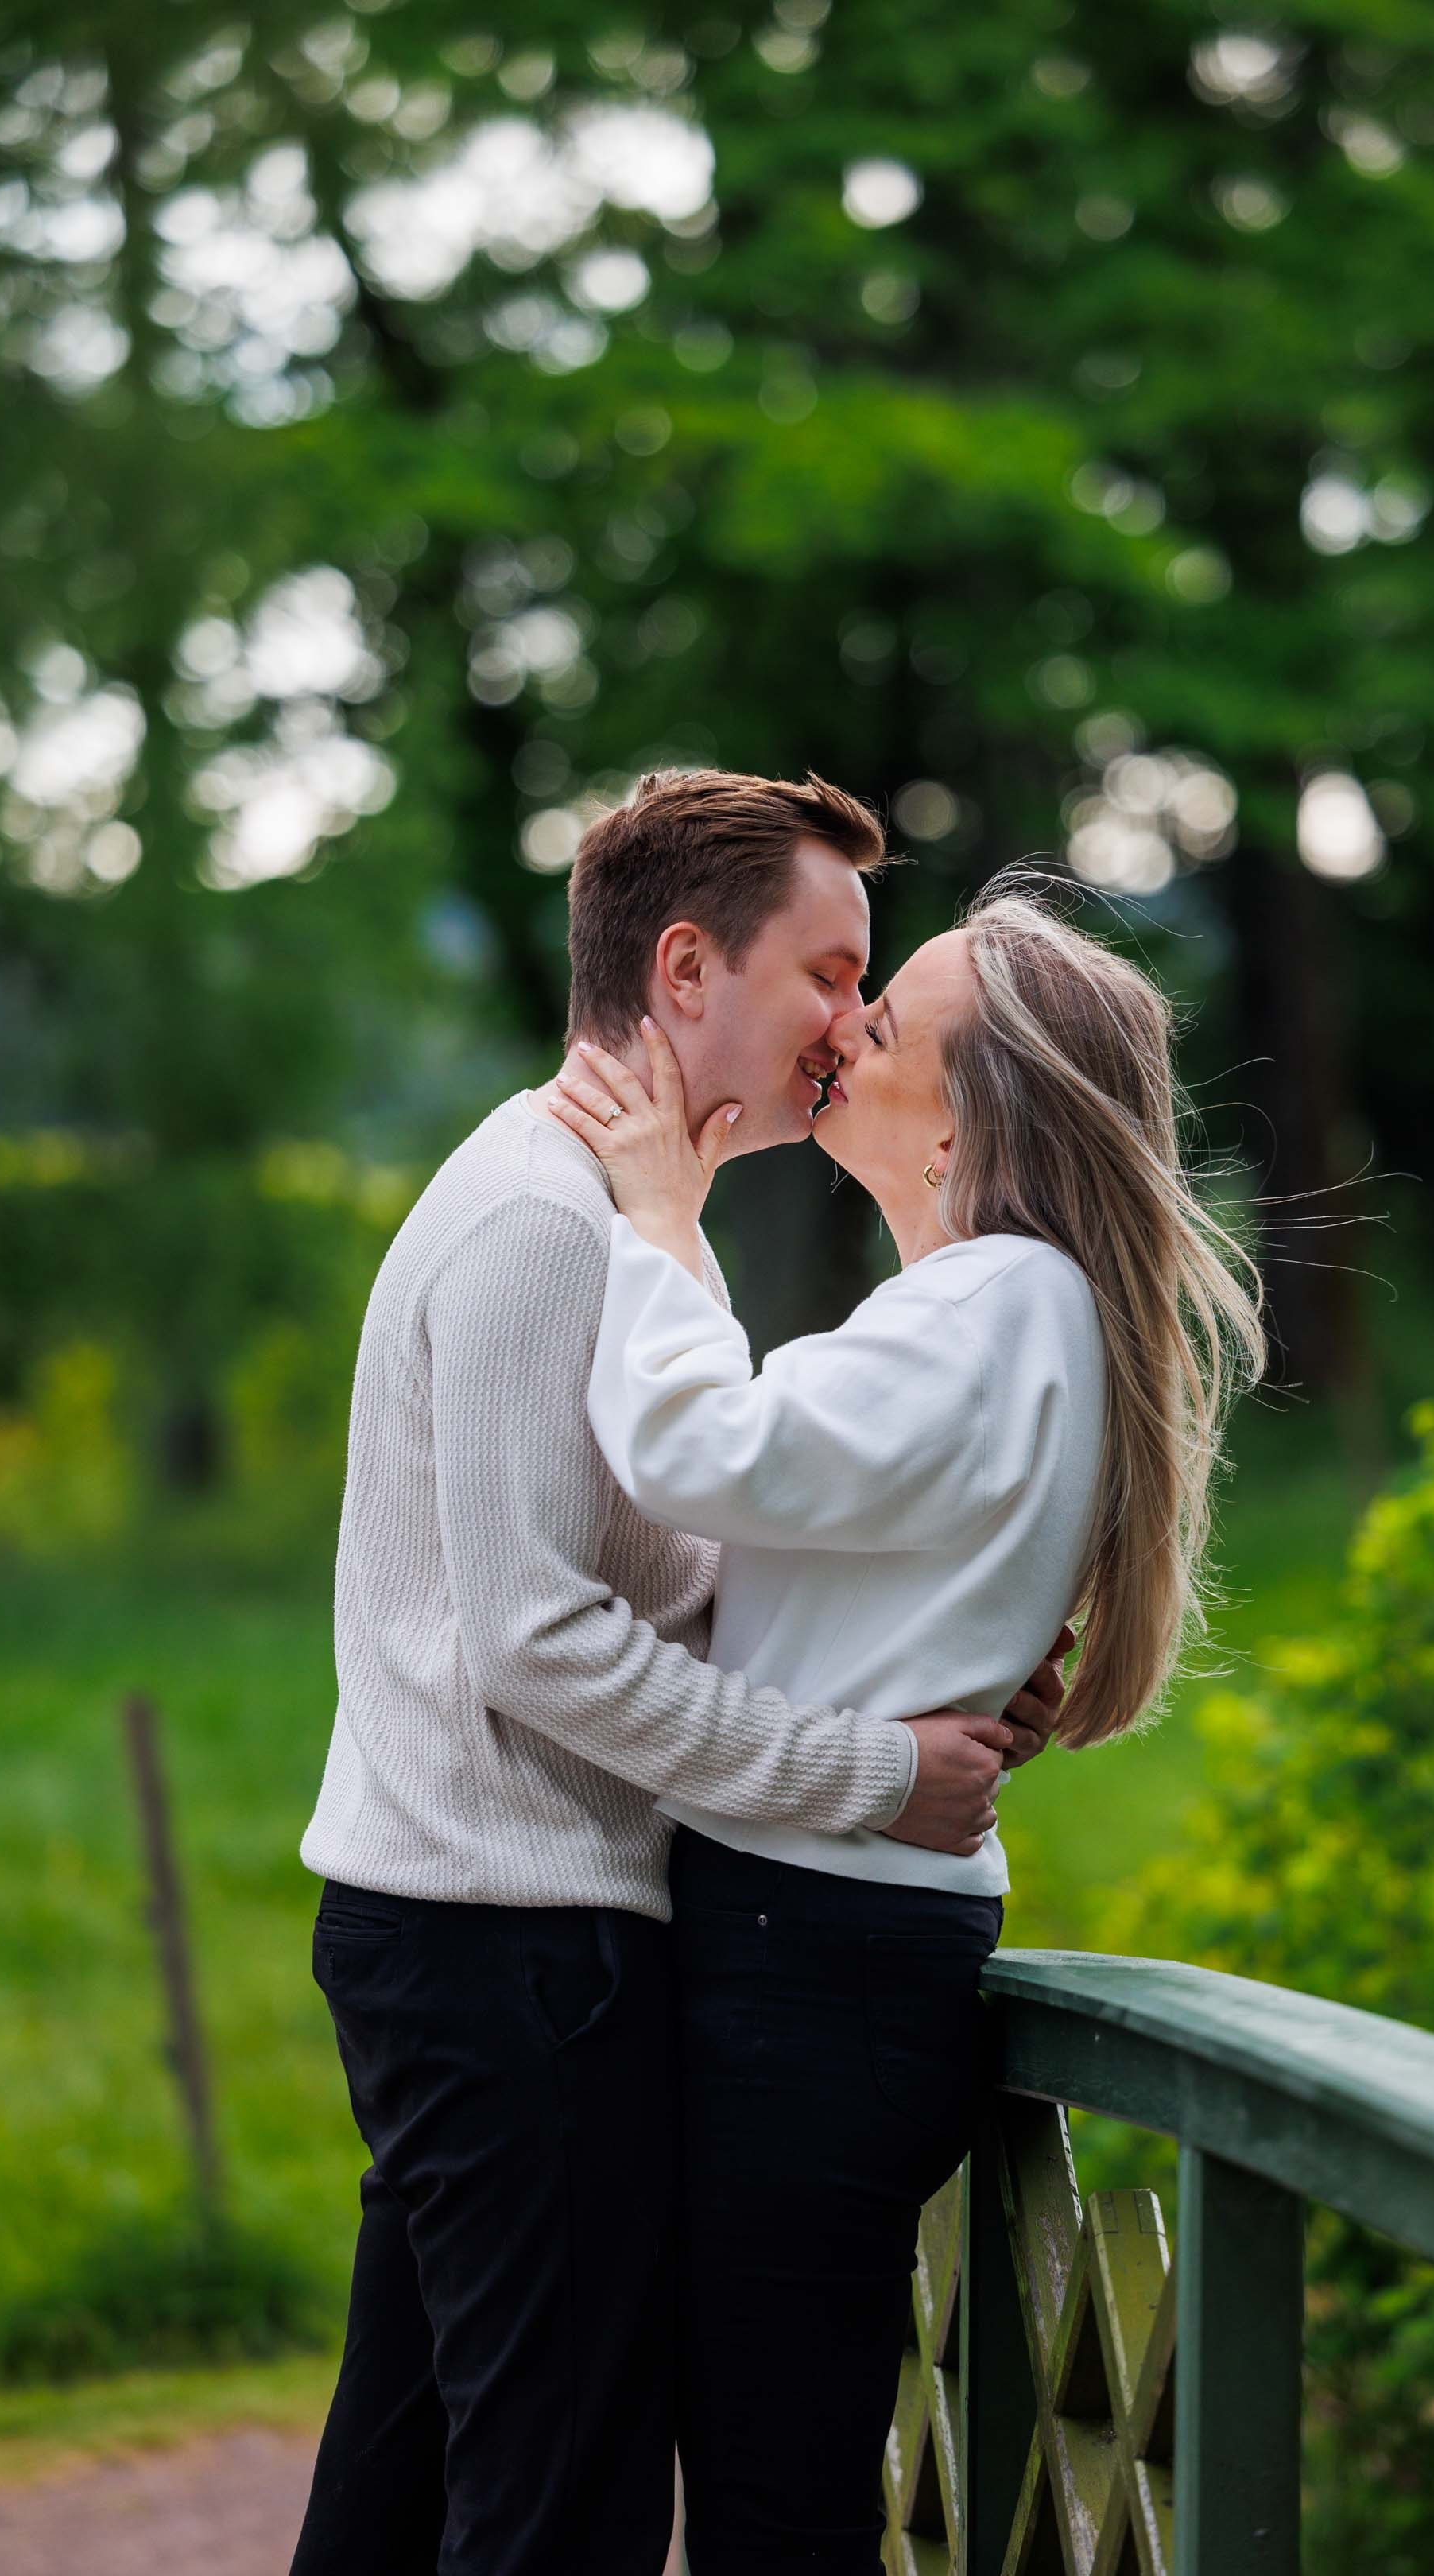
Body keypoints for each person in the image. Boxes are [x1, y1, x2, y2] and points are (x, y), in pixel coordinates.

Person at [288, 774, 1068, 2576]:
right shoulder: (542, 1227)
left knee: (407, 2484)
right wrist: (871, 1777)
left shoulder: (636, 1222)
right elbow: (538, 1640)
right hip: (508, 1948)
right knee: (558, 2509)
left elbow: (673, 1579)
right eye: (830, 972)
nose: (854, 1025)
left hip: (502, 1939)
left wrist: (926, 1669)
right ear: (691, 966)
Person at [549, 873, 1265, 2574]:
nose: (845, 1031)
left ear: (968, 1119)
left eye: (888, 1019)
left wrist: (658, 1216)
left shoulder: (989, 1307)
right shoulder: (1004, 1311)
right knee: (774, 2463)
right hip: (844, 1951)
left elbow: (698, 1454)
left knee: (774, 2493)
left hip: (813, 1961)